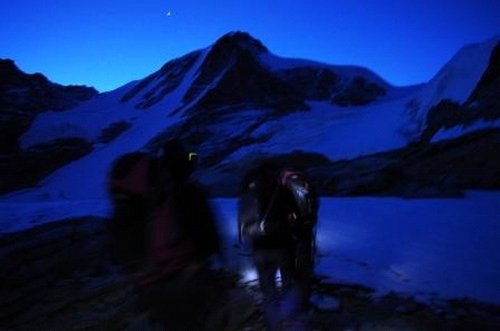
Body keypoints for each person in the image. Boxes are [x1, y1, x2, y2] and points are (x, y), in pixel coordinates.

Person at [108, 140, 222, 330]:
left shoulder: (139, 196)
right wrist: (205, 259)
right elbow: (204, 231)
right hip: (183, 277)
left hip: (146, 283)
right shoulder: (186, 191)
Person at [238, 163, 318, 331]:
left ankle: (273, 325)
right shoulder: (281, 189)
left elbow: (244, 222)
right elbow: (296, 215)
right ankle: (292, 323)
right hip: (282, 246)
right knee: (289, 285)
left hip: (259, 248)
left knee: (268, 291)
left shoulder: (250, 192)